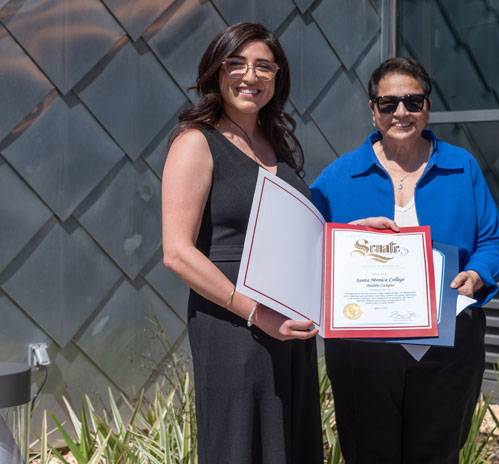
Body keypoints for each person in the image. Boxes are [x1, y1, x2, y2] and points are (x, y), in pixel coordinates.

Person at [311, 57, 499, 463]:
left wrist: (476, 272)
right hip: (363, 351)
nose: (401, 112)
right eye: (388, 104)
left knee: (436, 453)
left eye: (412, 101)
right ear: (373, 110)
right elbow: (310, 246)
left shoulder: (462, 167)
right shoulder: (337, 177)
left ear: (427, 106)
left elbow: (494, 241)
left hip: (448, 341)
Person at [161, 22, 322, 464]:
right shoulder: (196, 142)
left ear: (277, 78)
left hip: (289, 327)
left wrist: (353, 233)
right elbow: (177, 252)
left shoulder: (276, 145)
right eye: (237, 63)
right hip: (233, 324)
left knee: (290, 441)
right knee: (242, 444)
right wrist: (255, 311)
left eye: (264, 67)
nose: (251, 76)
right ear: (216, 71)